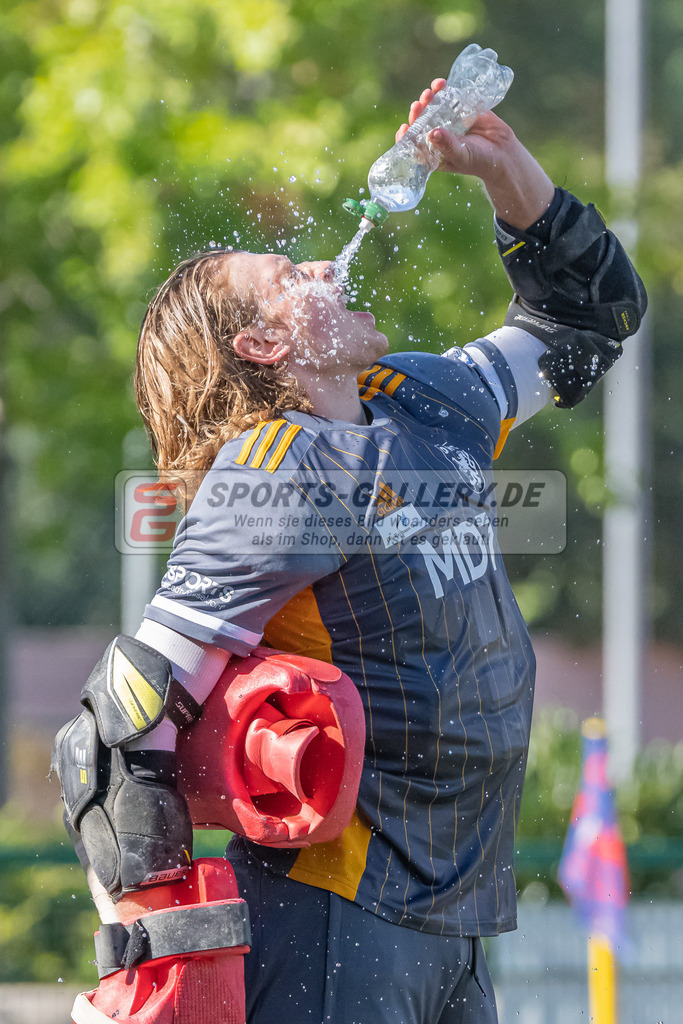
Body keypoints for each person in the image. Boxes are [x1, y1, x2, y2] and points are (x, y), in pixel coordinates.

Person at [54, 80, 647, 1024]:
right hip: (330, 915)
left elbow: (592, 316)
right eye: (289, 275)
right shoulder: (274, 473)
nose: (327, 264)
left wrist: (505, 172)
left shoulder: (424, 399)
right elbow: (118, 728)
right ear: (261, 342)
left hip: (454, 925)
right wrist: (159, 955)